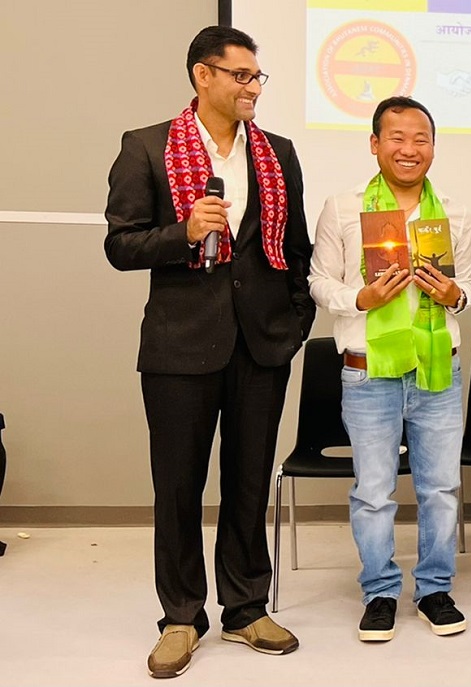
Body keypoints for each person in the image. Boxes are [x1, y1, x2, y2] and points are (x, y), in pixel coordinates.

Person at [104, 25, 313, 679]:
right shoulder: (146, 146)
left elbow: (296, 250)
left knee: (249, 482)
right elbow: (121, 244)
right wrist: (183, 232)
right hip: (180, 346)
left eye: (257, 77)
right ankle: (181, 616)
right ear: (203, 74)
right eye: (241, 75)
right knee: (177, 487)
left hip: (262, 345)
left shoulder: (278, 152)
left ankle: (246, 606)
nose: (254, 88)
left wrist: (294, 323)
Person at [308, 96, 471, 642]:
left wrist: (453, 295)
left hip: (437, 370)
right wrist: (359, 298)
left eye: (420, 139)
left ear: (433, 147)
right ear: (375, 143)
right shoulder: (343, 207)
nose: (409, 149)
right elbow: (318, 281)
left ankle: (434, 590)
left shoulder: (454, 213)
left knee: (441, 488)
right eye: (397, 138)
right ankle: (379, 591)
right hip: (368, 371)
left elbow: (466, 288)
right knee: (374, 491)